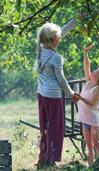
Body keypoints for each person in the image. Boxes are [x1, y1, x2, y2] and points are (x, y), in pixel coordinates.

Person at [35, 19, 78, 169]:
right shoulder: (56, 58)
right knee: (55, 128)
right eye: (58, 37)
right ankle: (51, 160)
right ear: (53, 40)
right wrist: (72, 93)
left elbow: (59, 33)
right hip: (53, 97)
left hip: (41, 94)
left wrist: (74, 22)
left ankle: (43, 158)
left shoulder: (41, 49)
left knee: (45, 127)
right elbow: (61, 79)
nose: (60, 39)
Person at [77, 44, 99, 166]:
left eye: (97, 72)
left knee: (97, 145)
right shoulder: (89, 82)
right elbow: (87, 67)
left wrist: (80, 97)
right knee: (89, 147)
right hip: (85, 120)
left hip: (93, 121)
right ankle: (91, 167)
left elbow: (92, 103)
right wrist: (85, 53)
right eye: (96, 70)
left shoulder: (97, 89)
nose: (94, 71)